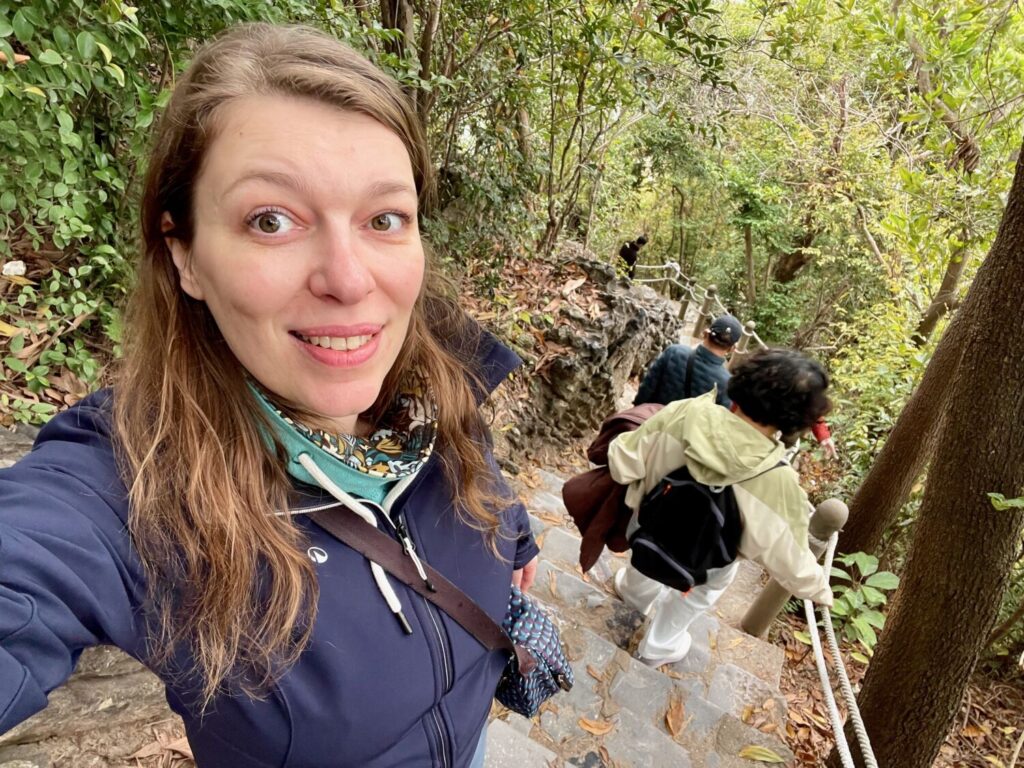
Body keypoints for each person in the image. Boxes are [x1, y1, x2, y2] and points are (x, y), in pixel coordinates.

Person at [0, 24, 539, 768]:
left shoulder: (437, 373)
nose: (349, 279)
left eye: (384, 219)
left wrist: (516, 539)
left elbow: (480, 467)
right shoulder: (133, 482)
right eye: (271, 221)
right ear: (184, 255)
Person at [608, 349, 834, 668]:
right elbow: (792, 561)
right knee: (702, 591)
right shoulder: (780, 483)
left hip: (650, 524)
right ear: (797, 419)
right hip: (709, 561)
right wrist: (823, 593)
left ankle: (633, 598)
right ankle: (658, 646)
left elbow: (622, 461)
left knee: (647, 544)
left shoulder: (687, 413)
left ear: (742, 380)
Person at [635, 314, 743, 408]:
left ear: (705, 333)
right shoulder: (727, 384)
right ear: (732, 349)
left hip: (650, 419)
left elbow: (646, 389)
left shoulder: (674, 352)